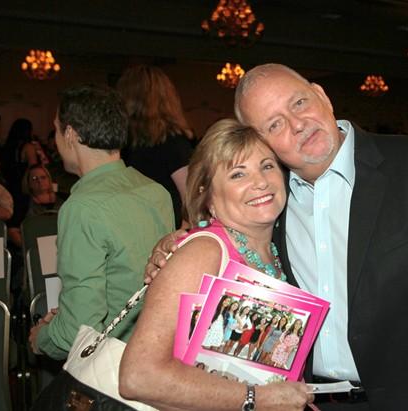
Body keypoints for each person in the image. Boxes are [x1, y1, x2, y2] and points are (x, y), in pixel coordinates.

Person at [147, 63, 408, 410]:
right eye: (275, 124)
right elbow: (228, 236)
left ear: (322, 95)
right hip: (313, 401)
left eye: (299, 103)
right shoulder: (271, 201)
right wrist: (181, 244)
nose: (297, 124)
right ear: (264, 144)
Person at [119, 118, 312, 411]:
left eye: (267, 166)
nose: (261, 182)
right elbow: (138, 377)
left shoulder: (281, 247)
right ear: (207, 195)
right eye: (238, 174)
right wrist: (258, 399)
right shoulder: (205, 252)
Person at [28, 85, 174, 367]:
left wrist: (42, 338)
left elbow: (77, 332)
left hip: (113, 365)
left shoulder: (82, 208)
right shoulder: (155, 192)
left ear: (70, 134)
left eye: (56, 130)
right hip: (158, 353)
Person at [117, 64, 196, 228]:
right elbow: (190, 196)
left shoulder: (121, 143)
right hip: (163, 228)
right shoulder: (172, 141)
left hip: (136, 226)